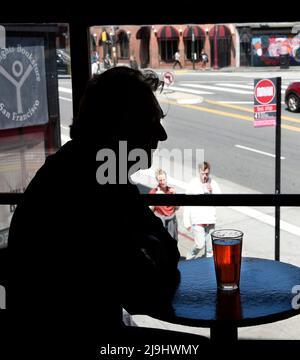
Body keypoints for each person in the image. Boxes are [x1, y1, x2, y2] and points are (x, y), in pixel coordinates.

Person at [8, 66, 208, 356]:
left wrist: (152, 251)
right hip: (82, 344)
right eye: (151, 120)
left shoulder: (89, 170)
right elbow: (145, 289)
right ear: (120, 125)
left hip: (70, 335)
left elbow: (164, 252)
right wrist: (150, 251)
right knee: (196, 351)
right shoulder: (92, 186)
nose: (162, 134)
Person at [183, 161, 222, 259]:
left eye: (207, 174)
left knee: (210, 250)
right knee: (199, 245)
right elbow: (186, 203)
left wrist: (212, 192)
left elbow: (221, 199)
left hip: (210, 220)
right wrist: (186, 222)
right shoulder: (193, 184)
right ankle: (189, 258)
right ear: (199, 172)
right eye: (203, 173)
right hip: (198, 219)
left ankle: (207, 267)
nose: (205, 176)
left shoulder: (213, 183)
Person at [149, 169, 179, 241]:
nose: (162, 182)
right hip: (160, 219)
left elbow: (177, 208)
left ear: (166, 178)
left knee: (172, 241)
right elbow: (150, 210)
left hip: (171, 219)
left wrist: (174, 195)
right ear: (157, 181)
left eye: (164, 179)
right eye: (160, 180)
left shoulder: (171, 190)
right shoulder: (153, 192)